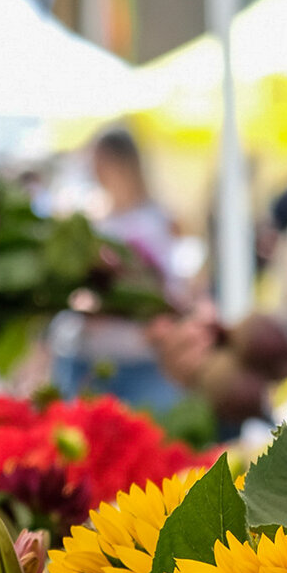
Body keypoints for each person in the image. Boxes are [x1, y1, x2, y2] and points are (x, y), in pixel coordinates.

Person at [50, 127, 182, 412]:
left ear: (120, 163)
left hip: (139, 363)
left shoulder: (153, 220)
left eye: (100, 162)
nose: (95, 171)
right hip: (90, 360)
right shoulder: (94, 218)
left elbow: (166, 289)